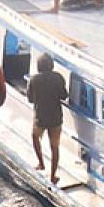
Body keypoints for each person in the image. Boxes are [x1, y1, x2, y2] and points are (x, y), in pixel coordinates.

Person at [28, 52, 68, 184]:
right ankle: (53, 176)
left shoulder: (34, 79)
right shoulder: (58, 78)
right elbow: (64, 96)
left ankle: (41, 163)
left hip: (40, 116)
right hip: (56, 117)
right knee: (55, 147)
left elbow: (29, 99)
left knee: (35, 137)